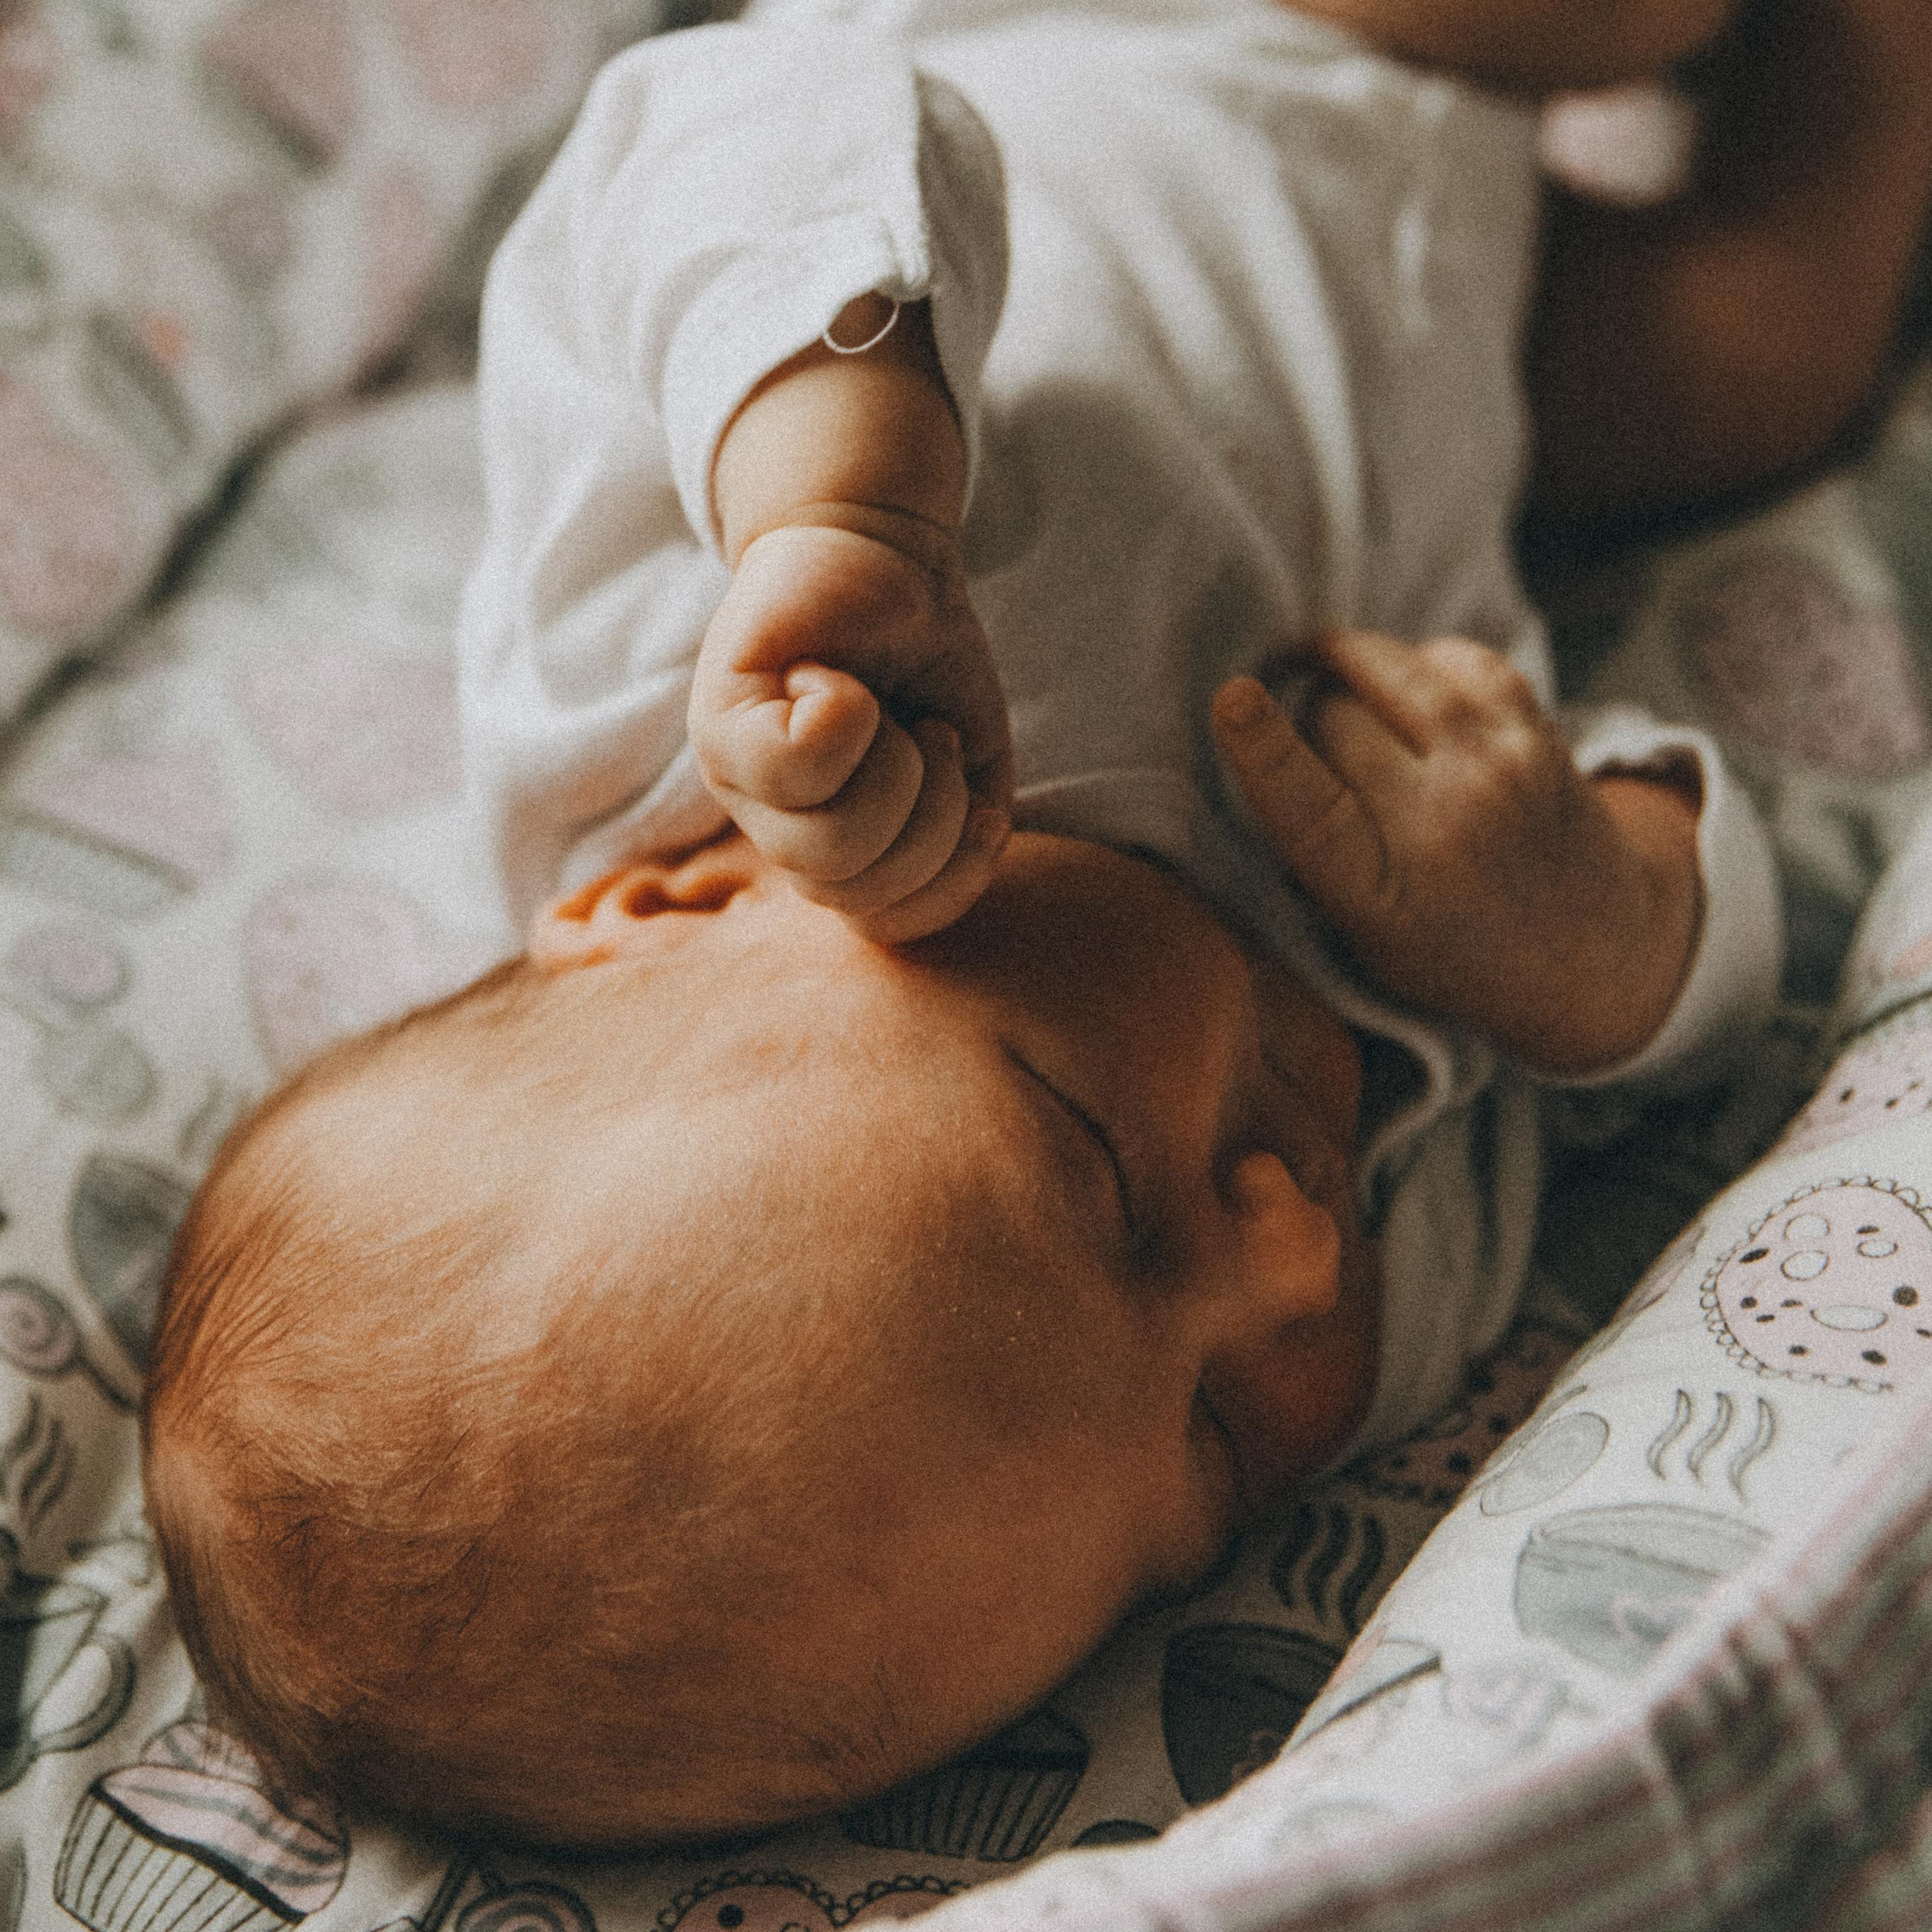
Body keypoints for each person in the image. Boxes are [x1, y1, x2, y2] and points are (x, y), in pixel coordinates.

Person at [142, 0, 1932, 1854]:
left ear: (668, 906)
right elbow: (1645, 1055)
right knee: (1770, 355)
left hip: (1170, 34)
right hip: (1470, 338)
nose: (1290, 1255)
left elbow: (743, 115)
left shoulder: (672, 690)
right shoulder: (1363, 1239)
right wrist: (1590, 929)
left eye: (1090, 1161)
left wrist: (838, 490)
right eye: (1217, 1447)